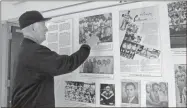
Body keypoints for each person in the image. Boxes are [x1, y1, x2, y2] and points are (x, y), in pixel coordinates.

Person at [11, 11, 100, 108]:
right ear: (34, 27)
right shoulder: (35, 52)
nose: (46, 29)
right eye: (43, 25)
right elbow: (68, 64)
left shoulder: (24, 49)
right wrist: (87, 46)